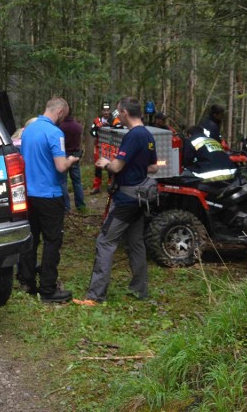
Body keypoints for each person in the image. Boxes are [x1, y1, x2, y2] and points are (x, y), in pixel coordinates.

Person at [75, 97, 158, 306]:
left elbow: (117, 167)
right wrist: (135, 167)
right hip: (140, 197)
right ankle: (140, 290)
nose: (117, 116)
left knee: (105, 241)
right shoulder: (148, 135)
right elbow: (154, 167)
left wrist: (106, 163)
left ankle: (95, 296)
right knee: (136, 242)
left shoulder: (133, 136)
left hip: (126, 199)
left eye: (118, 113)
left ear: (124, 113)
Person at [18, 97, 79, 303]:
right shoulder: (55, 133)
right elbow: (61, 166)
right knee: (52, 241)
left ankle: (26, 281)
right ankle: (47, 289)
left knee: (31, 239)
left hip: (29, 194)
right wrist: (71, 160)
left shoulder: (29, 131)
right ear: (60, 112)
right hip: (49, 195)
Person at [59, 109, 86, 213]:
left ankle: (66, 207)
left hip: (63, 156)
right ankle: (80, 206)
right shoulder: (77, 126)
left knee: (63, 182)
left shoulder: (60, 127)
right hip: (75, 156)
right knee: (77, 182)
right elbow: (80, 142)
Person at [89, 103, 112, 195]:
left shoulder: (114, 120)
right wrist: (98, 128)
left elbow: (119, 129)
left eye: (107, 110)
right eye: (104, 110)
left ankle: (111, 184)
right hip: (99, 146)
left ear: (110, 111)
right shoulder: (96, 120)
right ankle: (96, 186)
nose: (106, 112)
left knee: (110, 166)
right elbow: (92, 132)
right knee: (98, 166)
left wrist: (109, 125)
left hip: (110, 147)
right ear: (102, 111)